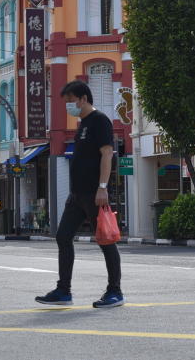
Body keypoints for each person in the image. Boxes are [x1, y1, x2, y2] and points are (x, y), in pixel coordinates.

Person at [36, 80, 124, 309]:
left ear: (83, 98)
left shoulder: (99, 121)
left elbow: (107, 155)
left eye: (71, 101)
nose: (68, 106)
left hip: (94, 193)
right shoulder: (82, 123)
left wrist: (102, 187)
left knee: (105, 240)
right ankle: (63, 291)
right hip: (77, 195)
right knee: (63, 236)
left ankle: (115, 291)